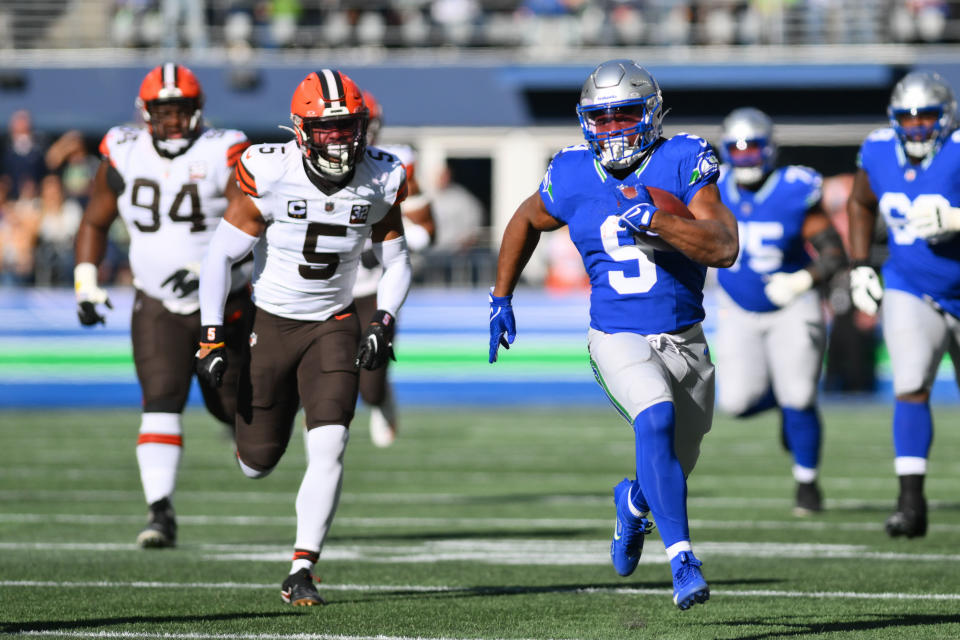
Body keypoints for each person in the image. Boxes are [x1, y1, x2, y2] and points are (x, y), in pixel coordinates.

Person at [488, 59, 738, 610]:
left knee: (673, 458)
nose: (613, 129)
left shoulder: (682, 159)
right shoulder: (573, 171)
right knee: (656, 417)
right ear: (584, 122)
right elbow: (526, 219)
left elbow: (724, 246)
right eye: (600, 118)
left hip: (686, 340)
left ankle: (634, 506)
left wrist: (660, 221)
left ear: (651, 113)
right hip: (615, 333)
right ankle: (682, 560)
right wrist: (501, 297)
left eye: (624, 115)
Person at [196, 69, 411, 606]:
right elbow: (220, 255)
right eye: (329, 129)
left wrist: (383, 319)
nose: (341, 140)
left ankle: (302, 567)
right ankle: (255, 409)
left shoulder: (382, 176)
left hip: (334, 324)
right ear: (300, 131)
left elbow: (398, 259)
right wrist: (211, 335)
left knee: (332, 441)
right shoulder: (270, 172)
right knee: (256, 463)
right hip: (270, 325)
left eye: (349, 128)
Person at [73, 62, 253, 549]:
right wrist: (86, 282)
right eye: (163, 112)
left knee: (232, 407)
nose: (172, 122)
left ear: (197, 112)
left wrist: (204, 270)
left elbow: (255, 223)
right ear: (146, 113)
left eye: (181, 112)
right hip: (155, 300)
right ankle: (160, 512)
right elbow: (94, 221)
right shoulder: (125, 153)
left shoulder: (224, 152)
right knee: (160, 399)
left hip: (223, 300)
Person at [714, 107, 847, 515]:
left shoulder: (794, 188)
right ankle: (781, 402)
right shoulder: (712, 187)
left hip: (792, 304)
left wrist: (802, 280)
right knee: (734, 403)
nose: (745, 157)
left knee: (802, 396)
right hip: (736, 306)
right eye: (736, 148)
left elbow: (833, 254)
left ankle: (807, 485)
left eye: (753, 148)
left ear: (769, 150)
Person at [847, 70, 960, 539]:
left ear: (946, 116)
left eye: (926, 118)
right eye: (906, 119)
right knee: (911, 383)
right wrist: (859, 264)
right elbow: (859, 202)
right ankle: (910, 502)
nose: (915, 128)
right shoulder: (876, 150)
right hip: (909, 283)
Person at [351, 89, 434, 447]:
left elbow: (426, 231)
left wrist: (387, 244)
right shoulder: (300, 165)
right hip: (325, 288)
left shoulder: (393, 164)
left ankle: (379, 397)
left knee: (369, 384)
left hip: (371, 287)